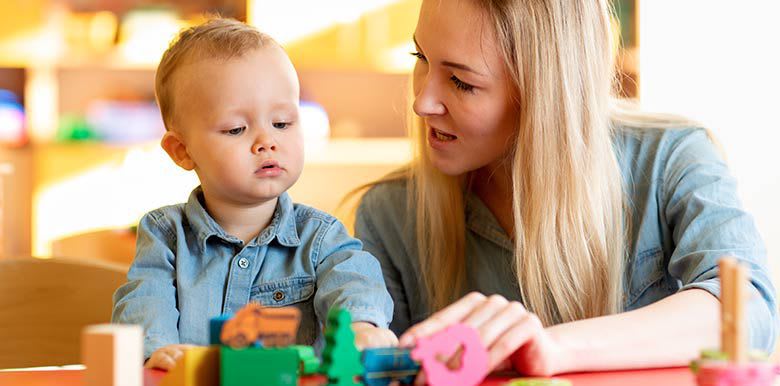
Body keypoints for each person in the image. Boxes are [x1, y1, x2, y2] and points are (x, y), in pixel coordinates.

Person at [353, 0, 777, 377]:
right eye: (420, 56)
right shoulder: (390, 213)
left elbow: (745, 310)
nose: (421, 102)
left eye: (462, 82)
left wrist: (550, 347)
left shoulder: (671, 160)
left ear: (543, 94)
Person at [112, 18, 396, 370]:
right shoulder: (165, 235)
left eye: (282, 123)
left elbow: (355, 278)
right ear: (182, 151)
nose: (267, 141)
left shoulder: (319, 237)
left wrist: (362, 326)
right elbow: (145, 298)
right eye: (236, 129)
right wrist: (157, 349)